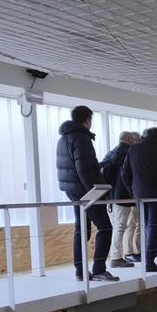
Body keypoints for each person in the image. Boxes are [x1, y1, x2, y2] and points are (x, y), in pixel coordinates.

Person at [56, 105, 117, 282]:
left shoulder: (63, 138)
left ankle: (80, 271)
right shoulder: (81, 138)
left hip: (72, 190)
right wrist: (97, 192)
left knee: (81, 229)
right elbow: (84, 169)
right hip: (87, 191)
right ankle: (98, 269)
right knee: (105, 227)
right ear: (88, 120)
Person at [123, 127, 157, 271]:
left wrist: (132, 191)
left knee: (148, 226)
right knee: (152, 226)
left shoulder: (133, 150)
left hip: (139, 195)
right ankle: (149, 263)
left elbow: (125, 173)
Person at [102, 130, 140, 268]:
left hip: (110, 195)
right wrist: (132, 191)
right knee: (120, 226)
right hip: (122, 195)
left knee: (117, 226)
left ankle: (117, 255)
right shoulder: (128, 153)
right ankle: (116, 257)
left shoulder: (111, 152)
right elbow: (127, 175)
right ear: (130, 139)